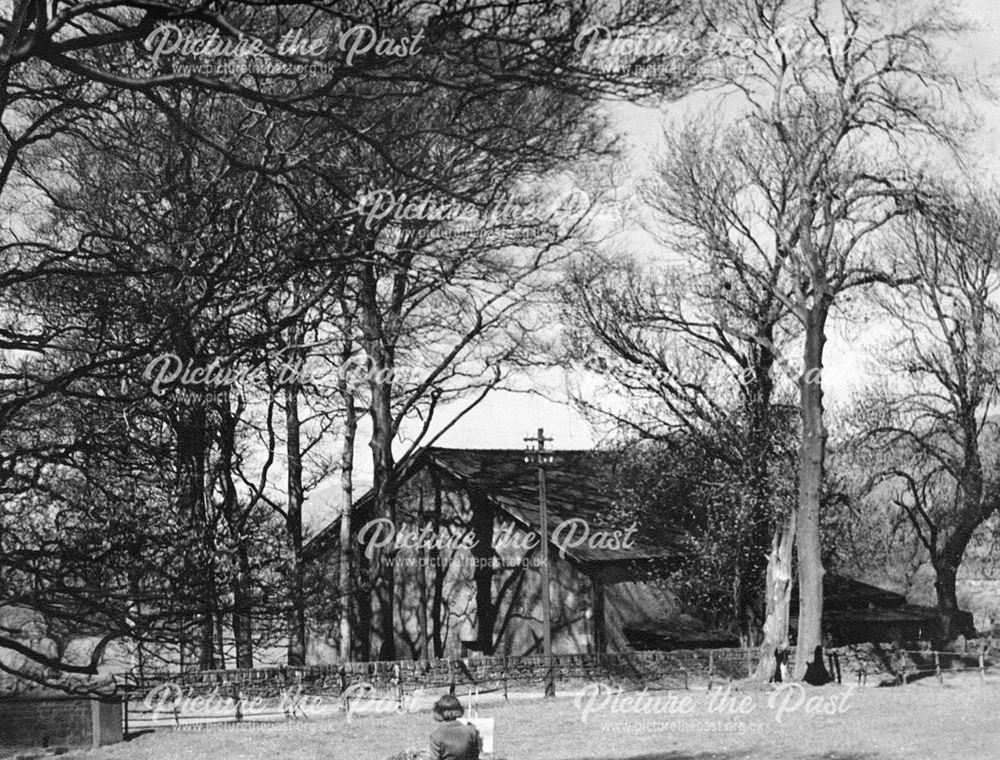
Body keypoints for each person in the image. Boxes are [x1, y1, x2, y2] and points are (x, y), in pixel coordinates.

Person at [429, 694, 480, 760]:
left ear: (438, 712)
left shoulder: (436, 735)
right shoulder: (471, 731)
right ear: (459, 710)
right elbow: (475, 755)